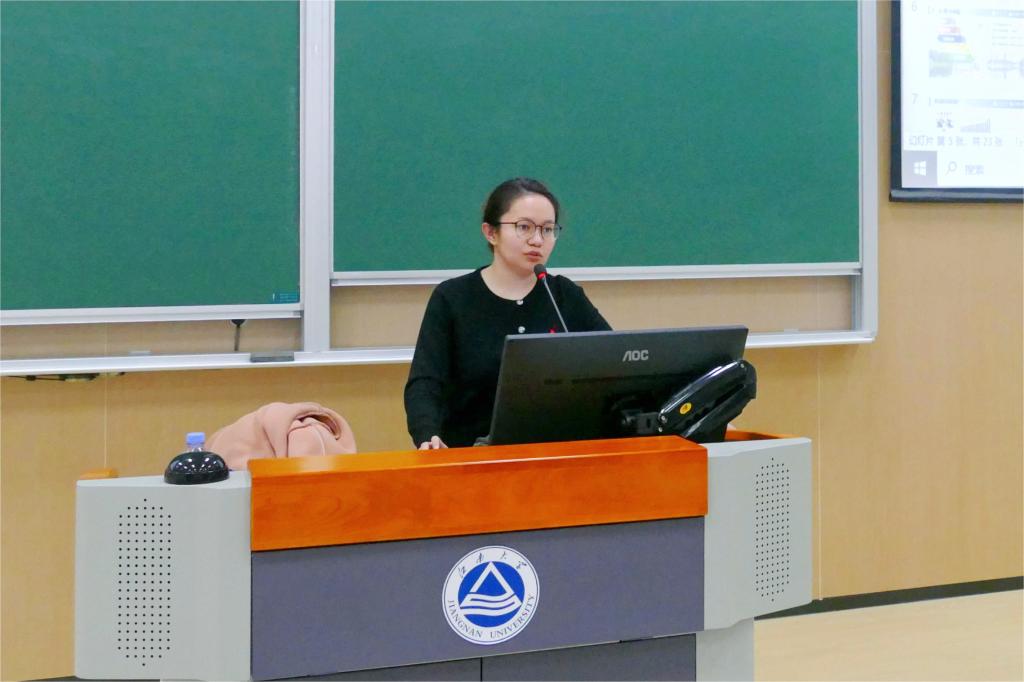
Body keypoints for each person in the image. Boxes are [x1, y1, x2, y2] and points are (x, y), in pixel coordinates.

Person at [404, 178, 611, 450]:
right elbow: (425, 383)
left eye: (547, 229)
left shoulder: (563, 295)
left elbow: (612, 363)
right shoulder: (453, 298)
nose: (537, 240)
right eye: (524, 227)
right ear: (491, 233)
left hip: (555, 453)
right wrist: (427, 435)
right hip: (471, 456)